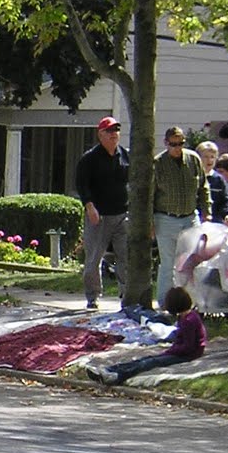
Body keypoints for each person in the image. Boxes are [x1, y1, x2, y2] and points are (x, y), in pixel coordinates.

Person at [93, 286, 205, 384]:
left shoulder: (189, 320)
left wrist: (171, 351)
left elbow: (188, 346)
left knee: (151, 362)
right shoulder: (184, 317)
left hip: (189, 354)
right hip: (181, 351)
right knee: (145, 359)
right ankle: (110, 369)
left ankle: (118, 376)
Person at [151, 125, 211, 307]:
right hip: (166, 218)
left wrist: (206, 211)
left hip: (190, 217)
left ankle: (190, 303)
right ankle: (165, 304)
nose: (177, 148)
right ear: (166, 143)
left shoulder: (193, 159)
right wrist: (150, 223)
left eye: (181, 143)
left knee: (192, 263)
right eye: (173, 144)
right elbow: (150, 196)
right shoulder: (158, 163)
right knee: (168, 264)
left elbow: (203, 187)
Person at [75, 116, 130, 309]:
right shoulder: (89, 158)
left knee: (126, 257)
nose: (114, 134)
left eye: (116, 130)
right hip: (99, 216)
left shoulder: (124, 154)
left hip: (122, 215)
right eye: (109, 131)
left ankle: (126, 296)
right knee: (93, 259)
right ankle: (93, 297)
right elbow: (82, 184)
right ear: (100, 134)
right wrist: (90, 206)